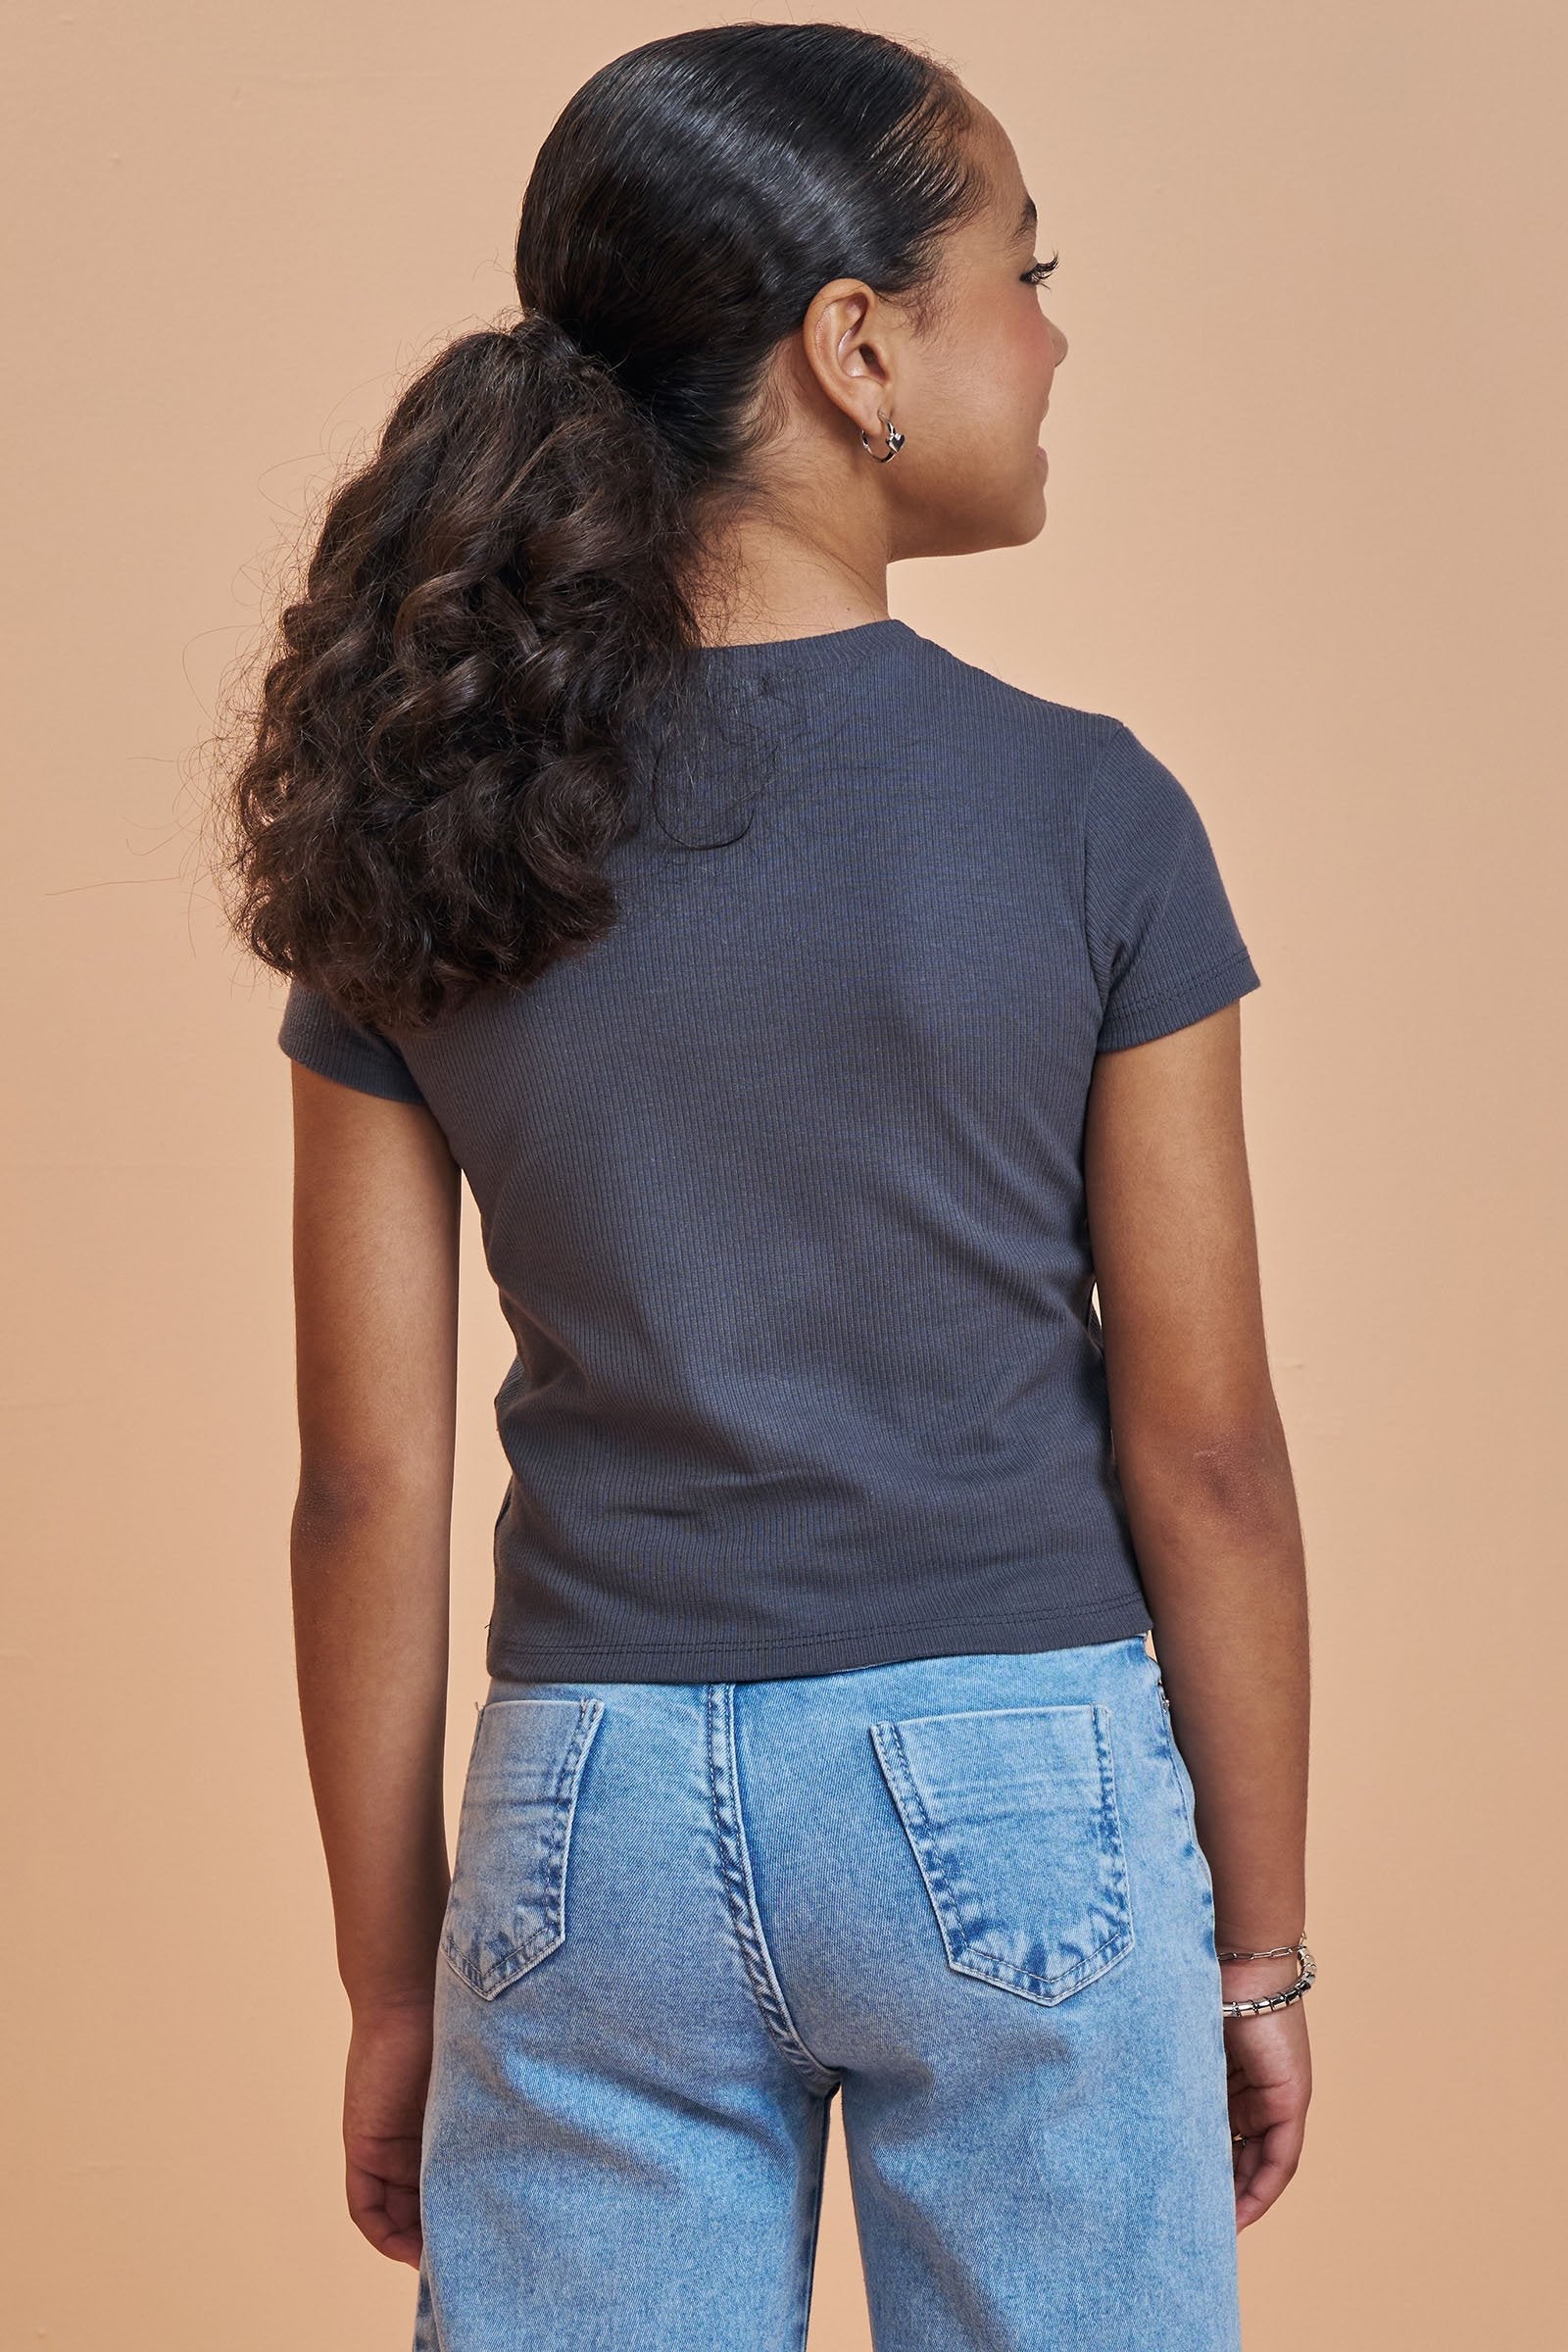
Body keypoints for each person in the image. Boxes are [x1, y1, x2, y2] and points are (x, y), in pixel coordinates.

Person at [220, 23, 1311, 2349]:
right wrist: (1256, 1946)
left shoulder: (426, 830)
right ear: (854, 350)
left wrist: (394, 1979)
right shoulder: (1089, 816)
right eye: (1019, 275)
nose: (1050, 338)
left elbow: (359, 1485)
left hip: (583, 1809)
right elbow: (1205, 1453)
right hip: (1011, 1782)